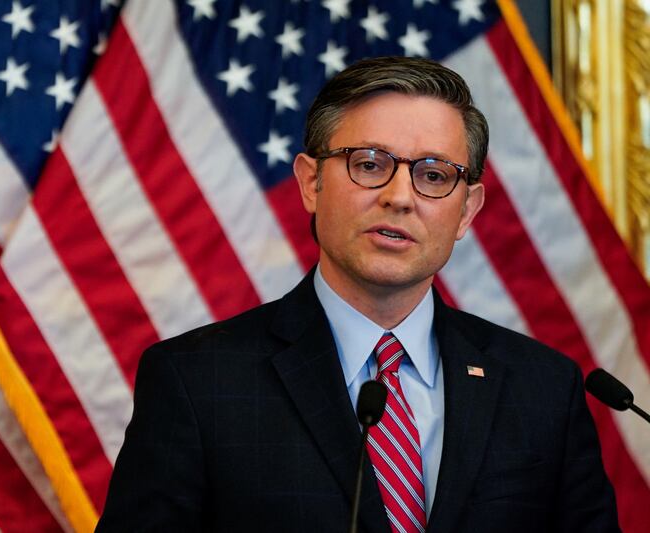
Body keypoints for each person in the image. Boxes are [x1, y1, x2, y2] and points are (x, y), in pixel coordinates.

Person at [96, 56, 619, 532]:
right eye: (369, 164)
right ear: (310, 182)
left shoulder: (543, 389)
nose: (399, 197)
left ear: (466, 211)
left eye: (433, 175)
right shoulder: (197, 382)